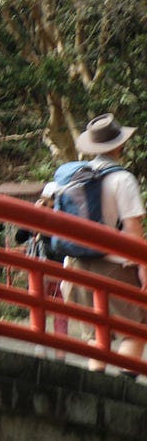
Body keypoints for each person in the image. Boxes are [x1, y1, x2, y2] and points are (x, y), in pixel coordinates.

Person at [58, 113, 147, 373]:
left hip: (76, 263)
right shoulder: (123, 179)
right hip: (115, 268)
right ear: (119, 145)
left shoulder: (70, 176)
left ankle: (95, 390)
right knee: (136, 331)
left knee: (98, 334)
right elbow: (133, 231)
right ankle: (122, 390)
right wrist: (144, 270)